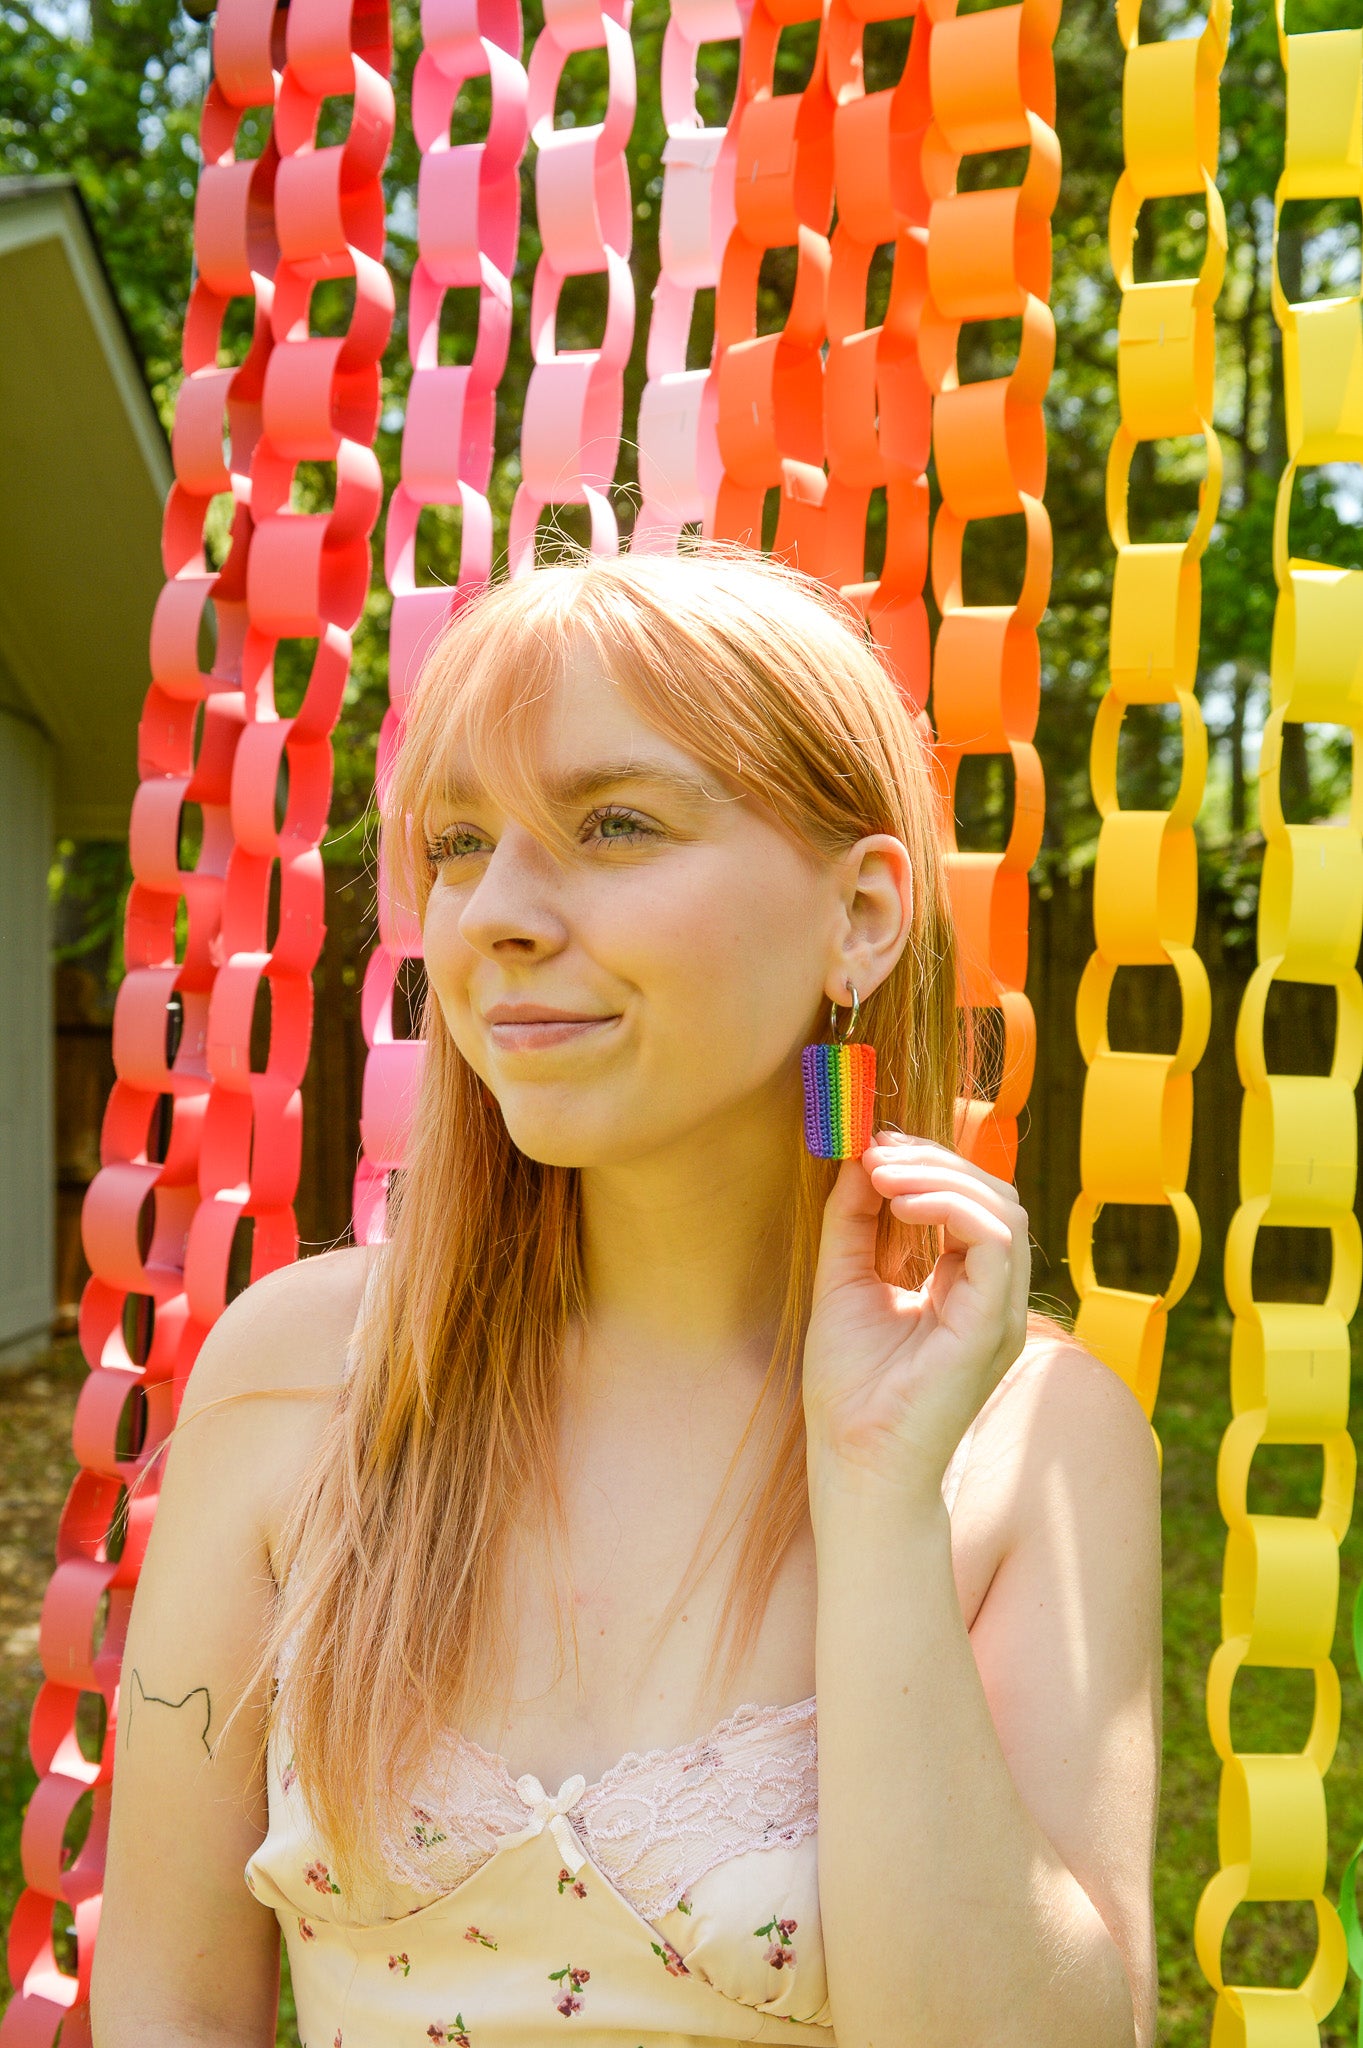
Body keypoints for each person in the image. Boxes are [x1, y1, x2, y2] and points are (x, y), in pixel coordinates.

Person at [90, 545, 1161, 2048]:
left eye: (613, 823)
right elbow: (165, 2009)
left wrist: (875, 1496)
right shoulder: (298, 1376)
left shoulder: (1035, 1442)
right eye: (461, 845)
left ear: (860, 918)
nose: (496, 917)